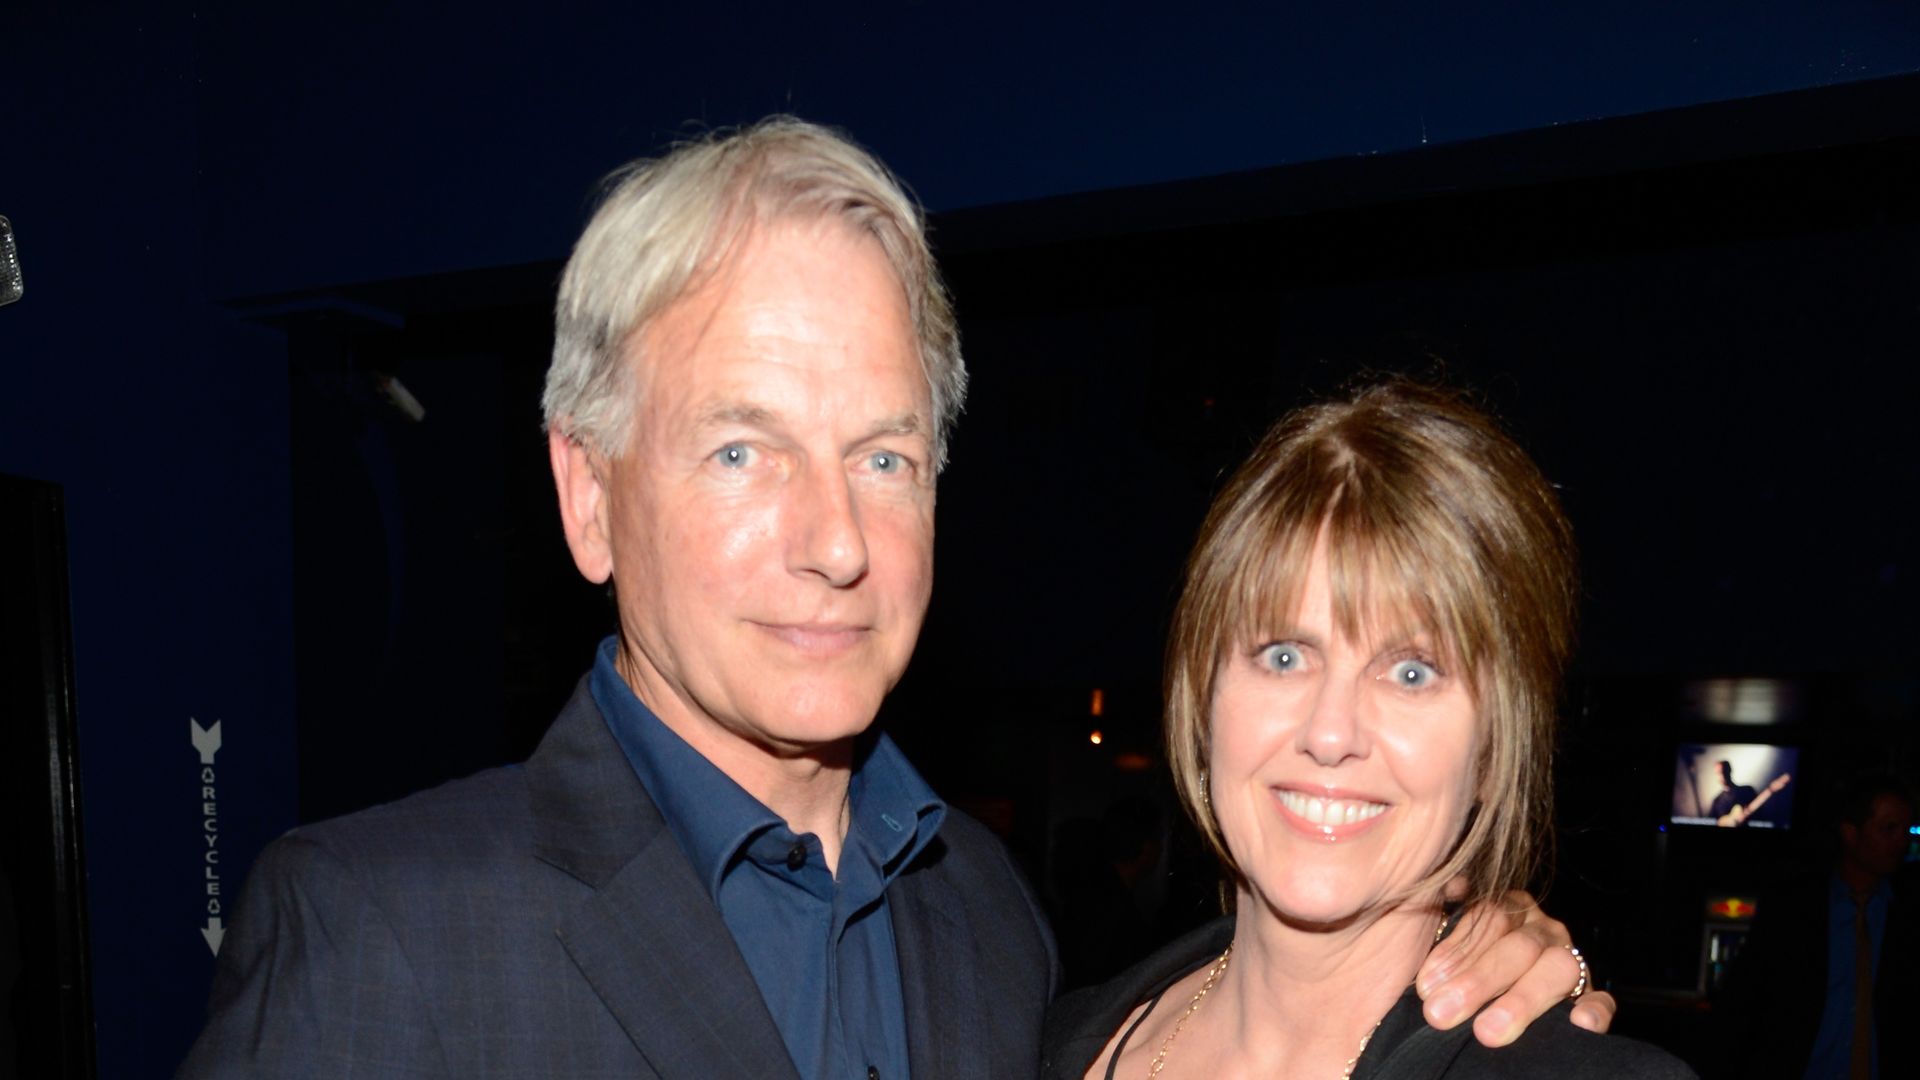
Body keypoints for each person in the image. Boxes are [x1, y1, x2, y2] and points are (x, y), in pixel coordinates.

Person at [179, 121, 1616, 1079]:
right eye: (743, 449)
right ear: (588, 496)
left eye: (882, 454)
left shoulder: (993, 936)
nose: (835, 540)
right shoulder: (384, 935)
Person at [1044, 381, 1692, 1079]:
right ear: (1204, 698)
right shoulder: (1043, 1039)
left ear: (1493, 750)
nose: (1330, 733)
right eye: (1285, 656)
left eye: (1411, 672)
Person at [1716, 774, 1919, 1079]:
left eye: (1907, 830)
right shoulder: (1794, 908)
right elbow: (1746, 1002)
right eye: (1889, 829)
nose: (1902, 841)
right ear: (1851, 834)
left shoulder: (1906, 914)